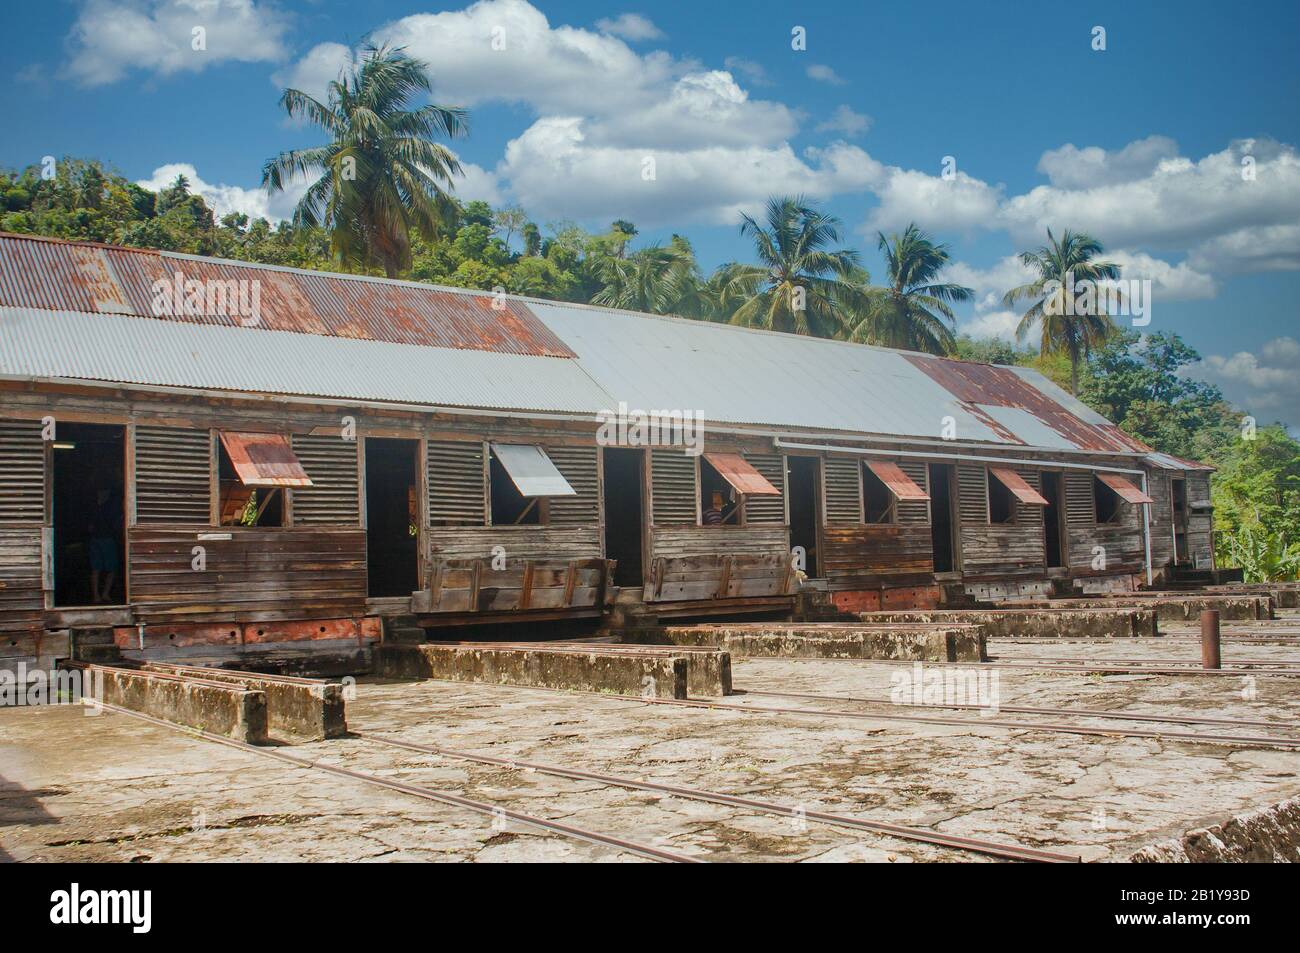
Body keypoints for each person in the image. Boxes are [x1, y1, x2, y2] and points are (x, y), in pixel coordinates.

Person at [88, 487, 121, 604]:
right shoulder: (107, 506)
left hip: (101, 539)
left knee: (102, 568)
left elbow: (90, 527)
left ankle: (101, 594)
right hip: (103, 539)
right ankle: (101, 594)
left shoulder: (97, 506)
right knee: (103, 568)